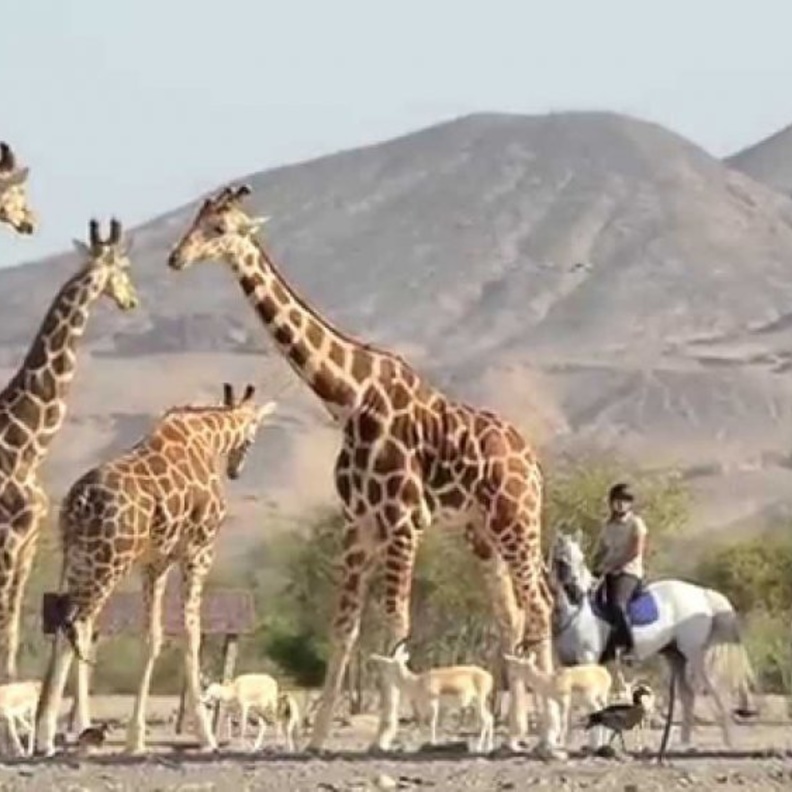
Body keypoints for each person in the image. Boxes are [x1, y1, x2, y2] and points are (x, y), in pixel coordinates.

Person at [591, 483, 648, 662]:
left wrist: (615, 565)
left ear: (630, 504)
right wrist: (594, 566)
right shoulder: (607, 526)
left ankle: (630, 646)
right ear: (611, 503)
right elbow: (601, 550)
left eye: (625, 501)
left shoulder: (636, 523)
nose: (621, 504)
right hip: (608, 573)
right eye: (617, 501)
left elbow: (635, 551)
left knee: (618, 605)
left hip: (628, 573)